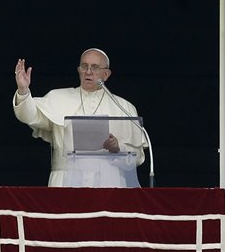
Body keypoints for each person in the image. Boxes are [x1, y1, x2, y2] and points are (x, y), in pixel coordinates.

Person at [13, 48, 147, 187]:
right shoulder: (58, 97)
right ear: (79, 70)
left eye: (94, 67)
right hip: (65, 181)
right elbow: (30, 115)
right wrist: (23, 91)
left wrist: (118, 148)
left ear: (106, 74)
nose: (88, 72)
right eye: (84, 66)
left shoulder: (123, 107)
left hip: (110, 182)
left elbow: (137, 157)